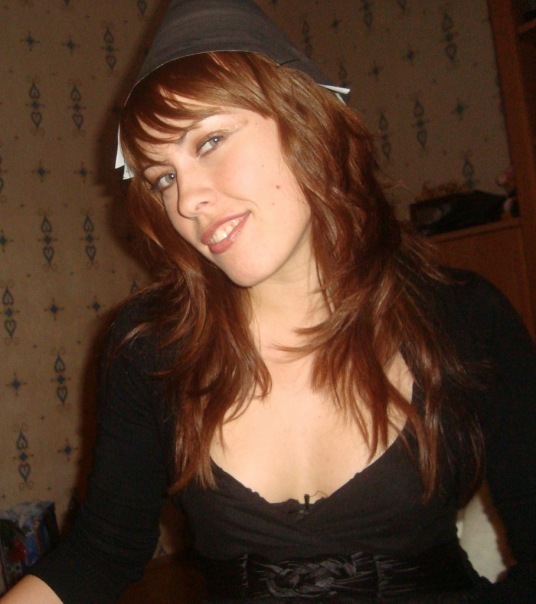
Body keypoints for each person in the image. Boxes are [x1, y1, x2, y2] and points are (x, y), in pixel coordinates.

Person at [2, 0, 535, 602]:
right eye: (163, 178)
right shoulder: (151, 349)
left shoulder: (464, 318)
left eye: (210, 140)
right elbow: (100, 553)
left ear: (304, 118)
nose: (187, 201)